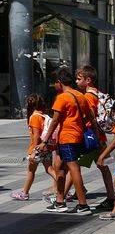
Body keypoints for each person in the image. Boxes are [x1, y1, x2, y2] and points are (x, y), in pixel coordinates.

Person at [36, 68, 96, 215]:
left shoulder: (62, 98)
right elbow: (90, 116)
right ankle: (60, 201)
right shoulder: (80, 96)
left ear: (59, 82)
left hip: (67, 138)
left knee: (74, 168)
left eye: (54, 83)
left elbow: (55, 120)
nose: (54, 86)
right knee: (59, 167)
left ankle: (83, 204)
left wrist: (45, 140)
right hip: (78, 136)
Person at [73, 65, 115, 211]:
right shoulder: (98, 93)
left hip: (91, 138)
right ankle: (111, 197)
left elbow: (90, 116)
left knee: (73, 166)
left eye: (79, 79)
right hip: (98, 137)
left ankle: (59, 199)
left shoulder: (88, 96)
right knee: (102, 166)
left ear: (88, 80)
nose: (76, 82)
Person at [10, 93, 59, 201]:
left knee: (31, 171)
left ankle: (24, 193)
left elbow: (36, 136)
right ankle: (63, 188)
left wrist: (33, 152)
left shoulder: (34, 117)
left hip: (37, 148)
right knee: (49, 169)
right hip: (46, 147)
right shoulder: (44, 115)